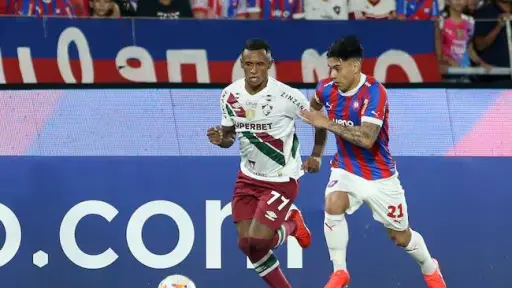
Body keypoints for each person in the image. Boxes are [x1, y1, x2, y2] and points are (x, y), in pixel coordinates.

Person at [300, 35, 447, 288]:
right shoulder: (325, 89)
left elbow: (367, 138)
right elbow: (316, 111)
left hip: (380, 176)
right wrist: (316, 153)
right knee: (333, 203)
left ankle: (430, 268)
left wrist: (327, 123)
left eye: (338, 68)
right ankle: (340, 272)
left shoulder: (374, 92)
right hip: (345, 168)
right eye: (330, 68)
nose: (332, 74)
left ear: (355, 66)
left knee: (400, 237)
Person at [206, 38, 312, 288]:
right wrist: (221, 139)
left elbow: (318, 122)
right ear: (241, 64)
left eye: (260, 64)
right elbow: (229, 137)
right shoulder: (230, 95)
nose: (253, 70)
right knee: (247, 245)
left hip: (281, 179)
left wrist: (316, 154)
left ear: (270, 65)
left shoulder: (288, 96)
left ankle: (292, 223)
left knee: (260, 242)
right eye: (248, 64)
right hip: (248, 177)